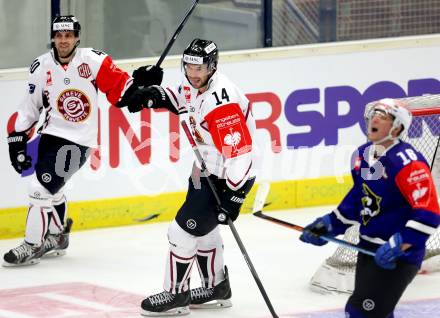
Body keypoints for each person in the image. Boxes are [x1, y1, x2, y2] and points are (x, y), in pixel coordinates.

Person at [4, 15, 162, 267]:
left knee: (38, 189)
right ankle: (57, 236)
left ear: (77, 37)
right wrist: (16, 139)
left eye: (68, 35)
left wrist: (141, 87)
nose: (63, 40)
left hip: (79, 142)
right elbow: (30, 108)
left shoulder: (94, 61)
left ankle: (32, 244)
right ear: (53, 38)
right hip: (51, 135)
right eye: (59, 35)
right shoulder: (40, 66)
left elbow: (121, 90)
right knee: (51, 190)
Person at [117, 38, 257, 316]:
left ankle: (176, 295)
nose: (193, 73)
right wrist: (151, 94)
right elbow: (180, 98)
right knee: (202, 232)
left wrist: (233, 197)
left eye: (200, 67)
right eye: (189, 66)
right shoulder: (195, 84)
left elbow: (240, 154)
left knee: (180, 232)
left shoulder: (221, 102)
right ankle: (216, 287)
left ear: (213, 67)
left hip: (226, 176)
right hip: (205, 170)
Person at [299, 98, 440, 318]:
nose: (374, 118)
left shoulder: (407, 162)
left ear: (398, 128)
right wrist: (328, 224)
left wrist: (400, 244)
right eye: (374, 114)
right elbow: (359, 200)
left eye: (383, 117)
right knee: (377, 313)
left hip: (398, 258)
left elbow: (429, 213)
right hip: (367, 251)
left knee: (360, 313)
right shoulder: (362, 155)